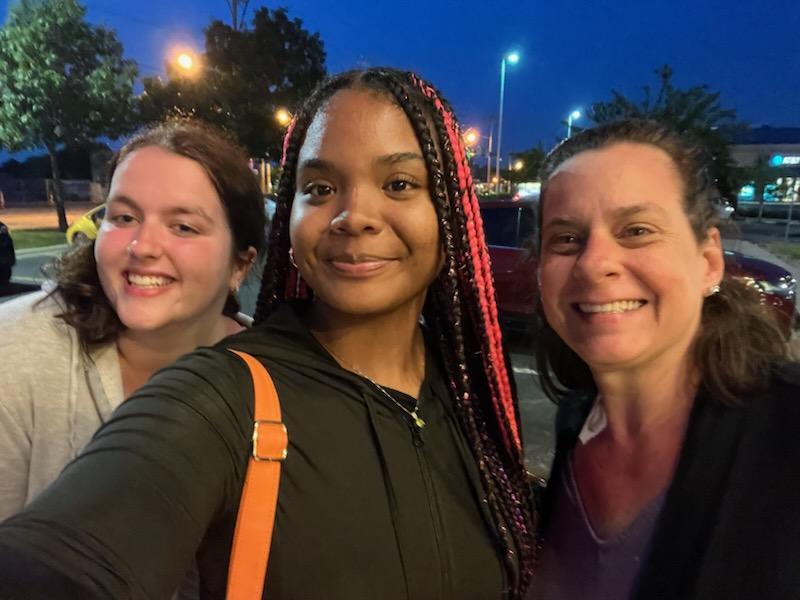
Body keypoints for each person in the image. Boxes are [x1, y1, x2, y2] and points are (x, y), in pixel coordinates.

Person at [0, 67, 537, 599]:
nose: (354, 216)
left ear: (453, 212)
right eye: (320, 187)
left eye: (399, 184)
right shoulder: (220, 395)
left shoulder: (476, 394)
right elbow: (61, 560)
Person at [528, 119, 800, 600]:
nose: (594, 263)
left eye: (636, 231)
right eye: (567, 239)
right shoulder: (577, 423)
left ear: (709, 261)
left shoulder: (785, 433)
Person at [0, 120, 265, 521]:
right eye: (124, 217)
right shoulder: (16, 350)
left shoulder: (273, 382)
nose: (142, 247)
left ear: (239, 266)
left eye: (183, 226)